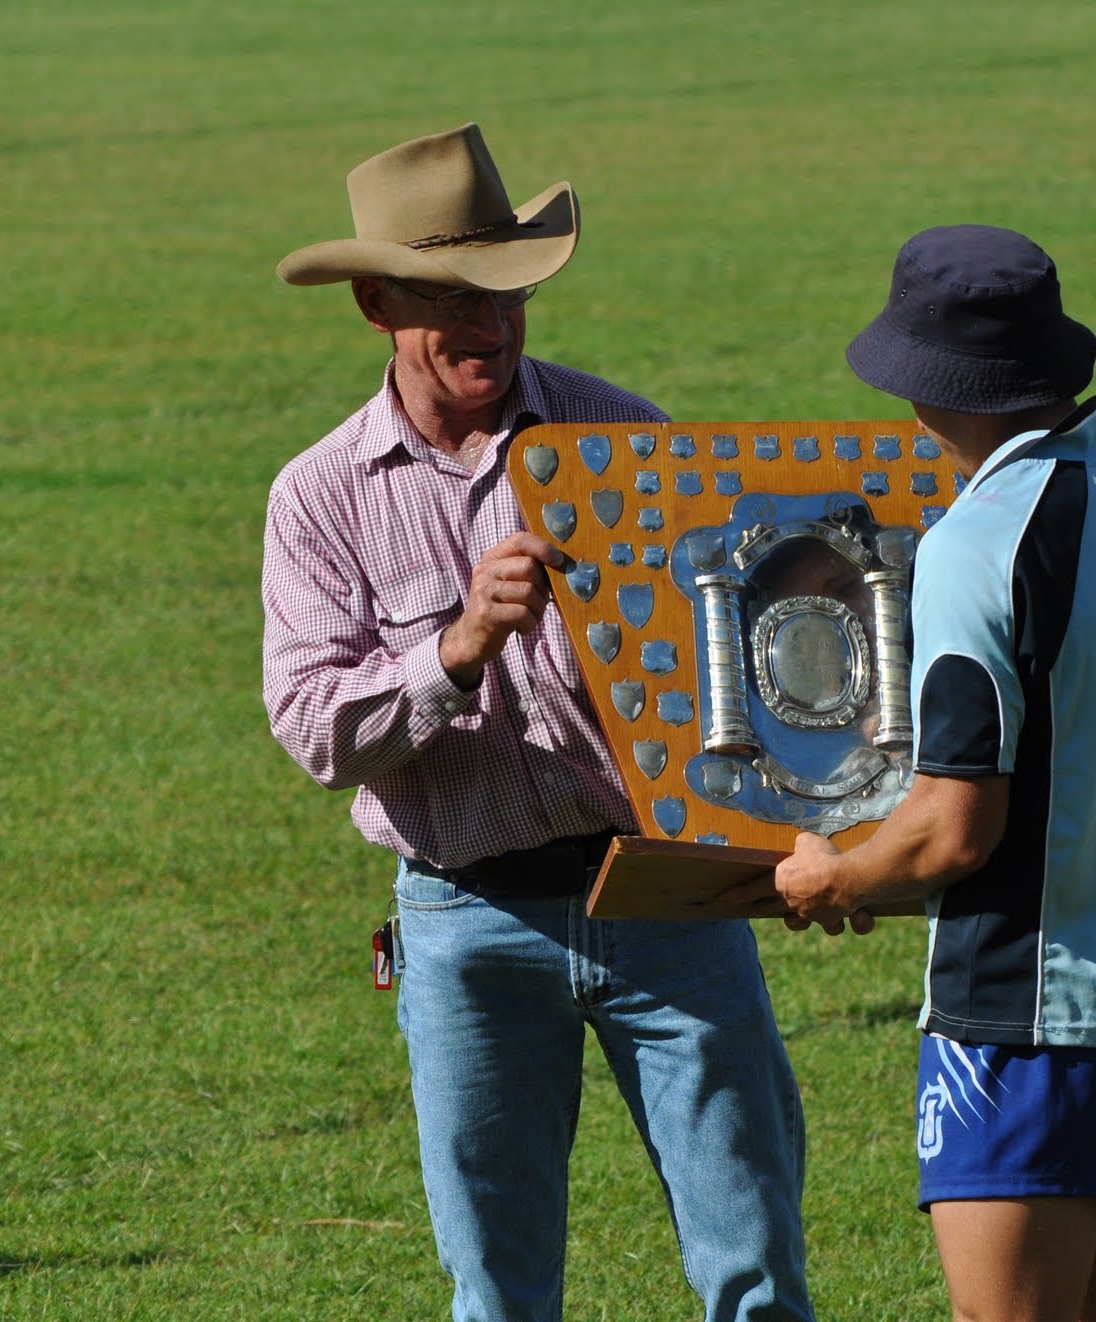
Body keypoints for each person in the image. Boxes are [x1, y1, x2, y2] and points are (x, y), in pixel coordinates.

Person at [262, 124, 814, 1322]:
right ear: (374, 304)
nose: (492, 325)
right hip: (465, 918)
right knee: (498, 1292)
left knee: (757, 1271)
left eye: (507, 293)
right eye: (453, 297)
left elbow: (744, 666)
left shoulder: (623, 437)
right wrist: (455, 649)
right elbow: (312, 728)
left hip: (665, 896)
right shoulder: (318, 495)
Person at [731, 225, 1096, 1322]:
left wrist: (838, 877)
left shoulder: (978, 542)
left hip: (1026, 1012)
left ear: (922, 388)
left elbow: (955, 826)